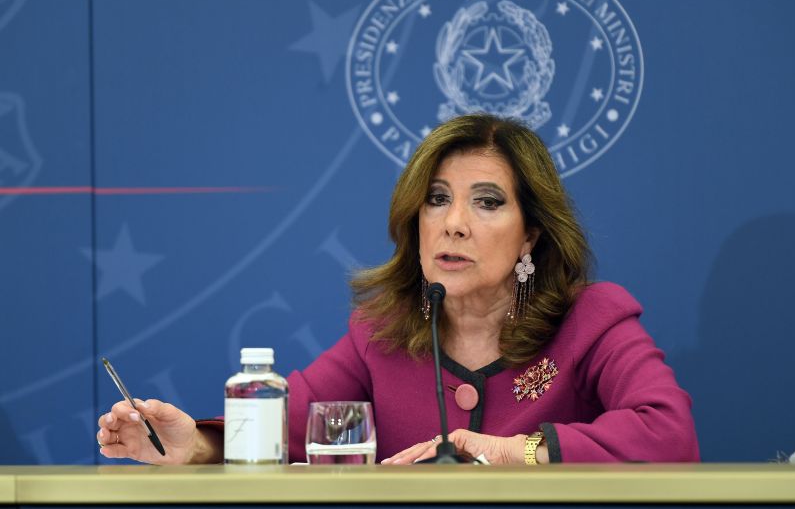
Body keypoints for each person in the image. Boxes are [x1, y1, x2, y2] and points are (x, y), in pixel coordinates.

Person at [97, 114, 700, 464]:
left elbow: (670, 435)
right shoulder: (382, 334)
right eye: (437, 199)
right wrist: (196, 446)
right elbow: (287, 426)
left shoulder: (590, 321)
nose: (453, 223)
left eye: (487, 202)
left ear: (530, 237)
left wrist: (511, 451)